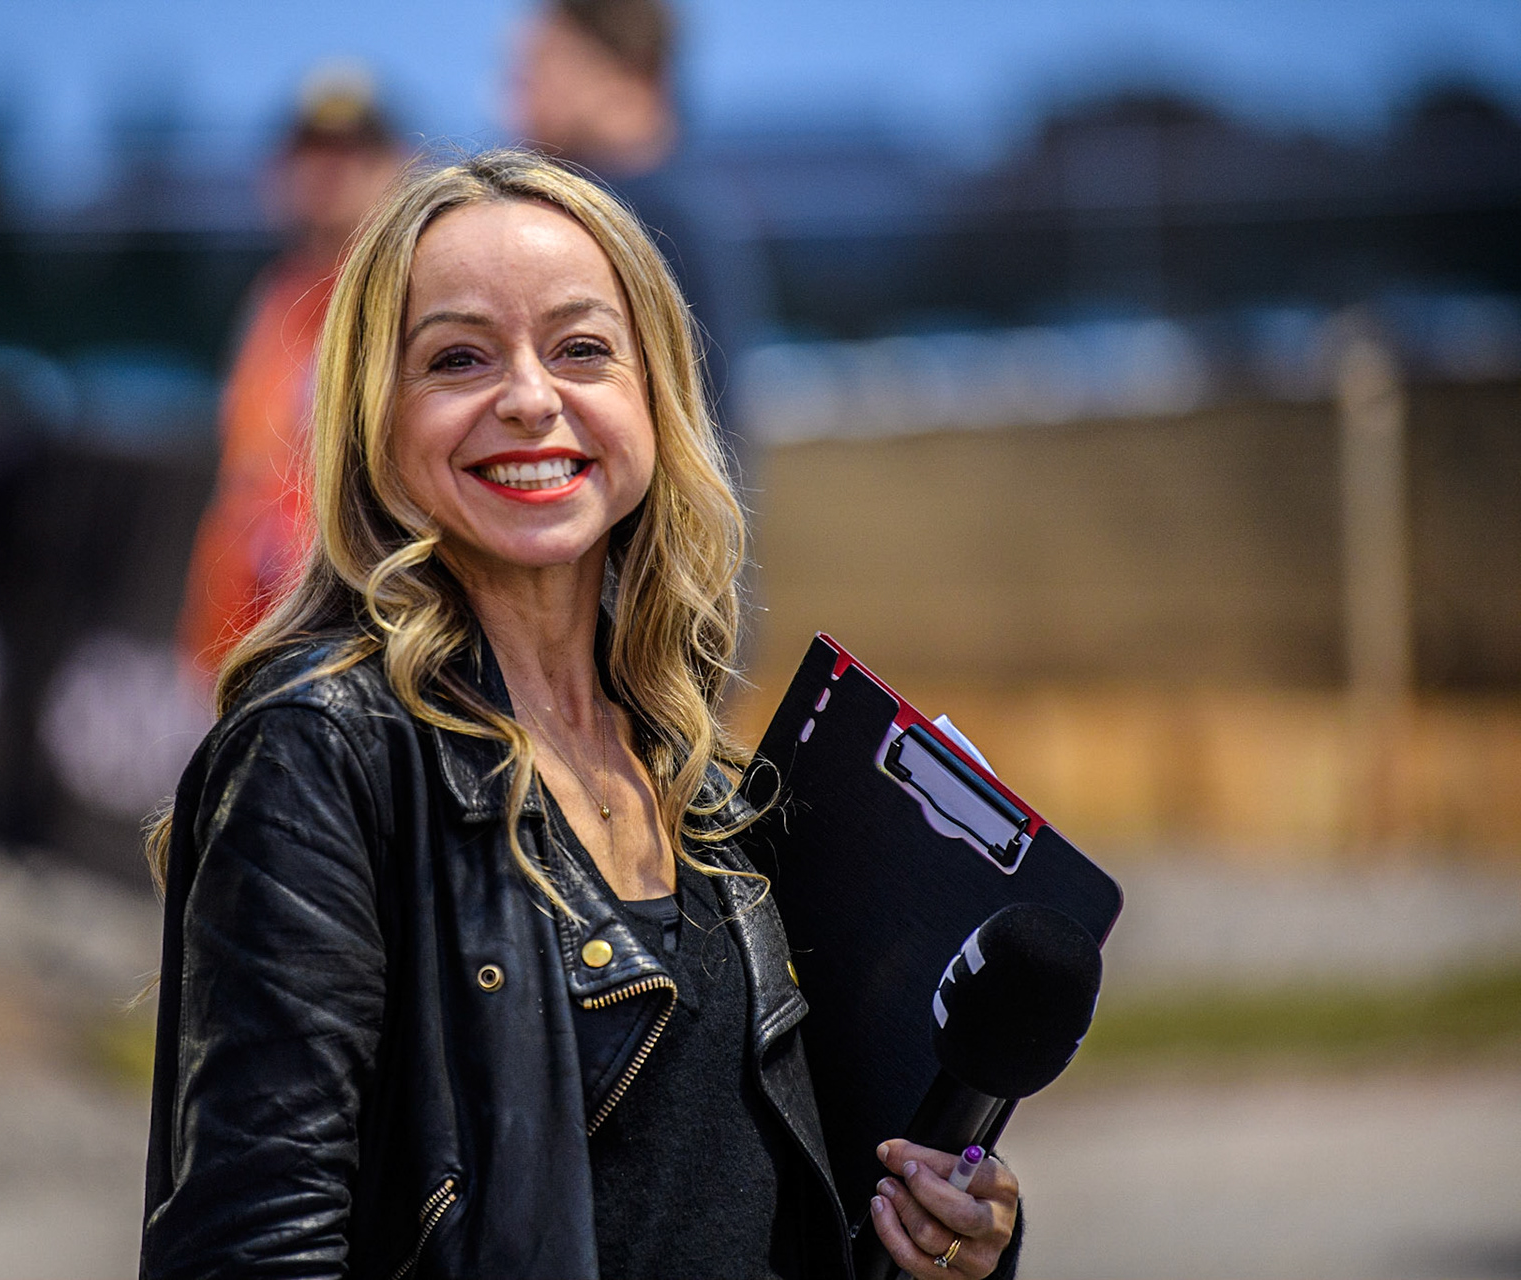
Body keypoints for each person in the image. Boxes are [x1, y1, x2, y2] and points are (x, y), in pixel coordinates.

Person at [140, 150, 1019, 1280]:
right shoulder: (320, 756)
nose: (528, 397)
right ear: (373, 419)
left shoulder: (705, 781)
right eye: (458, 357)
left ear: (655, 397)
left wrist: (947, 1242)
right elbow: (252, 1247)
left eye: (582, 348)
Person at [176, 65, 406, 684]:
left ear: (398, 165)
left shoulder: (409, 297)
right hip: (245, 634)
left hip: (350, 642)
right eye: (309, 151)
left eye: (354, 152)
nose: (328, 172)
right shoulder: (274, 295)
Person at [510, 0, 770, 486]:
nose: (510, 99)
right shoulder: (696, 205)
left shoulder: (632, 216)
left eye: (536, 68)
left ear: (627, 70)